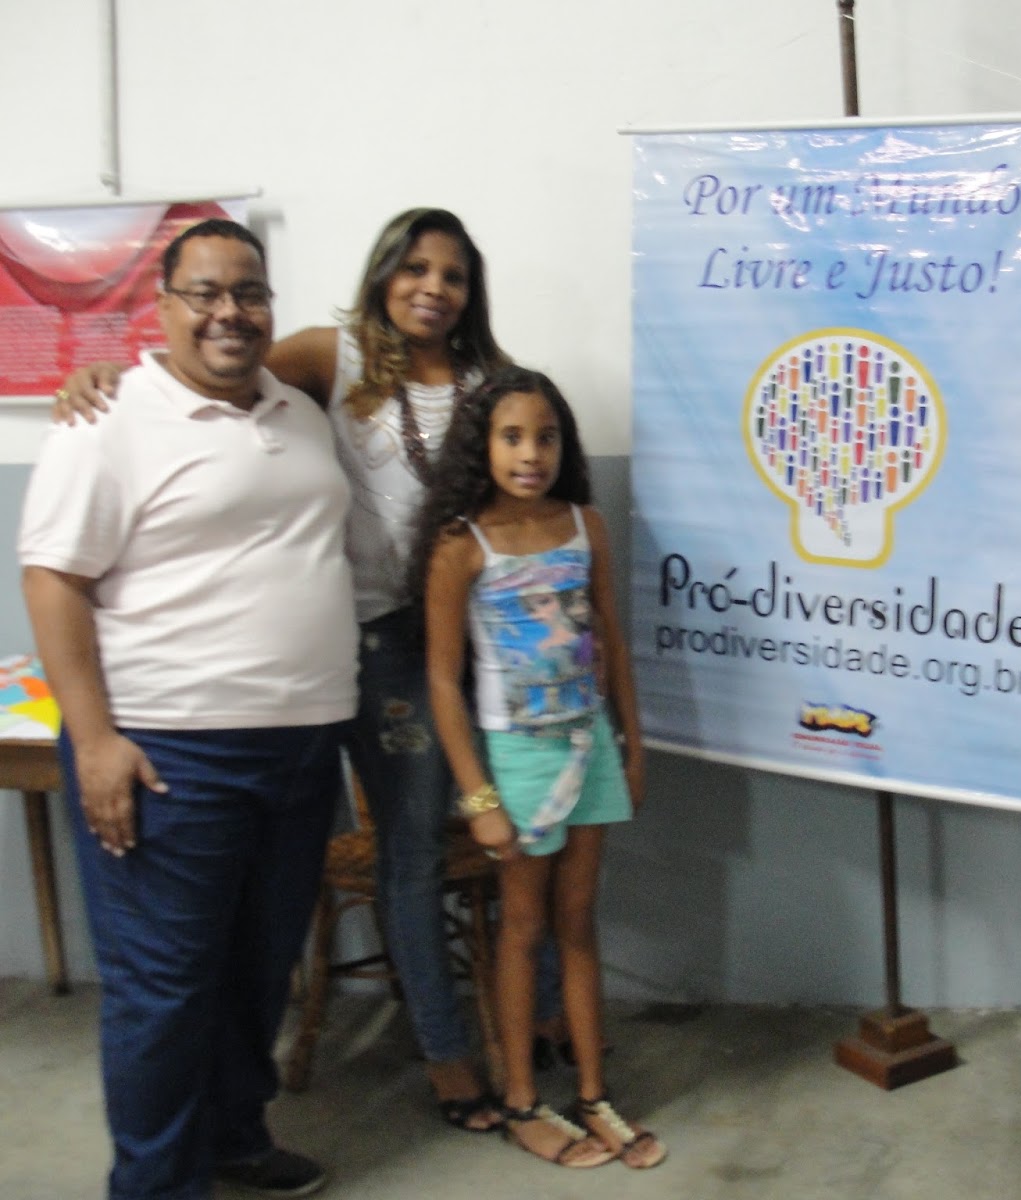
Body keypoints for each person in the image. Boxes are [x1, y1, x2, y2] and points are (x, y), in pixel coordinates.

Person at [56, 208, 523, 1131]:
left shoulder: (492, 381)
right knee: (399, 857)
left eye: (453, 275)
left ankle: (516, 1037)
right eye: (413, 268)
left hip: (452, 646)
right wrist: (102, 371)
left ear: (473, 293)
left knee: (470, 844)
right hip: (353, 652)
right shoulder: (327, 356)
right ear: (381, 274)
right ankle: (446, 1058)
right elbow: (208, 366)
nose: (432, 288)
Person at [20, 218, 356, 1199]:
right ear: (161, 308)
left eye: (248, 292)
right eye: (204, 293)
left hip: (300, 746)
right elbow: (53, 579)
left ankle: (233, 1137)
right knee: (164, 988)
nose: (228, 313)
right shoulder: (108, 419)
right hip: (171, 752)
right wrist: (94, 741)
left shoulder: (298, 410)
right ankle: (156, 1184)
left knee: (258, 969)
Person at [418, 366, 664, 1169]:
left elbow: (610, 640)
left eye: (546, 437)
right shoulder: (462, 544)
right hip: (519, 759)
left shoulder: (586, 524)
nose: (531, 454)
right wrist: (479, 796)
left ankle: (592, 1093)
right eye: (513, 437)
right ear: (482, 445)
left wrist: (633, 743)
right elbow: (442, 683)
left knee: (578, 921)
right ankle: (522, 1101)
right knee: (522, 928)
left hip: (590, 747)